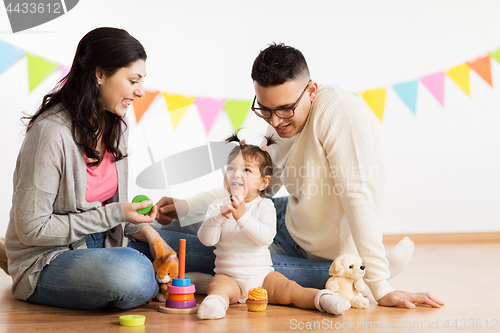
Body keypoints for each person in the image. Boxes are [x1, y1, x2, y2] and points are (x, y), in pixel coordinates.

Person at [156, 43, 444, 309]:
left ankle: (360, 272)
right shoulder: (278, 124)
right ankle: (361, 272)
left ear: (312, 90)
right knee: (188, 226)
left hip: (321, 245)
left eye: (285, 109)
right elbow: (251, 188)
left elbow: (358, 197)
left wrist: (381, 285)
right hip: (288, 218)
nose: (275, 122)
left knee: (229, 262)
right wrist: (184, 208)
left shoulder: (337, 112)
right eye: (265, 110)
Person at [3, 27, 202, 310]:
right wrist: (117, 213)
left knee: (209, 249)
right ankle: (12, 261)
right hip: (49, 257)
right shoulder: (50, 134)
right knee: (132, 274)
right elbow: (32, 230)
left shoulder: (116, 125)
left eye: (142, 81)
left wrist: (152, 235)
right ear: (100, 74)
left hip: (108, 241)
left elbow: (114, 212)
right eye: (133, 80)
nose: (141, 91)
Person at [197, 134, 350, 320]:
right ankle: (215, 304)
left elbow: (265, 237)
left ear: (264, 182)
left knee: (291, 290)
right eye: (231, 168)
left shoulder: (264, 206)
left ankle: (324, 299)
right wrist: (218, 217)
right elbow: (207, 240)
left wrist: (243, 217)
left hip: (262, 277)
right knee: (217, 285)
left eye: (246, 170)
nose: (236, 174)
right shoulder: (217, 207)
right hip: (229, 276)